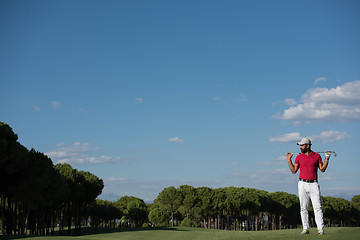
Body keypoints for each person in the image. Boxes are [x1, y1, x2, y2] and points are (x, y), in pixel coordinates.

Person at [286, 137, 331, 236]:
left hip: (314, 184)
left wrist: (327, 158)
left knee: (317, 207)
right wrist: (289, 160)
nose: (300, 147)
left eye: (302, 145)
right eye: (300, 145)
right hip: (302, 184)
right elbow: (294, 171)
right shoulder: (299, 157)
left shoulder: (317, 156)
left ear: (308, 145)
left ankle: (320, 229)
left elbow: (322, 169)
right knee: (303, 207)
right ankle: (305, 228)